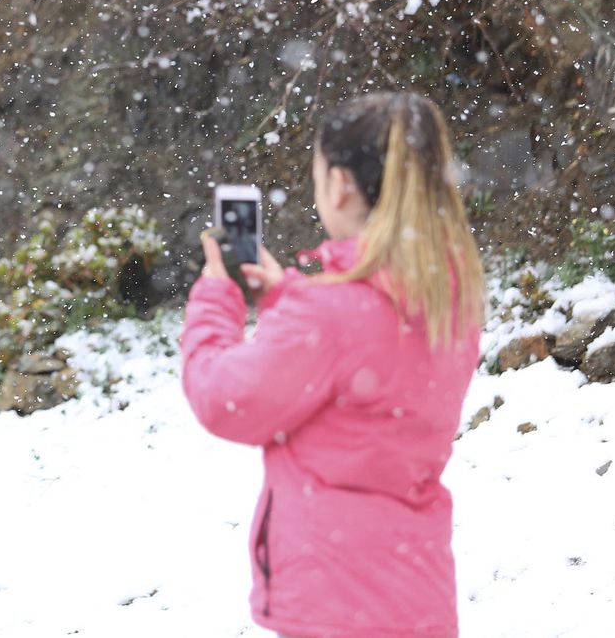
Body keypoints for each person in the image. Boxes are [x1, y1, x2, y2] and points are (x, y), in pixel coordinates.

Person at [181, 92, 484, 638]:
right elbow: (368, 355)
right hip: (414, 597)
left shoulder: (329, 316)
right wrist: (289, 299)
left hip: (336, 602)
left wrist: (215, 298)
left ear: (340, 185)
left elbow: (222, 399)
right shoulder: (446, 297)